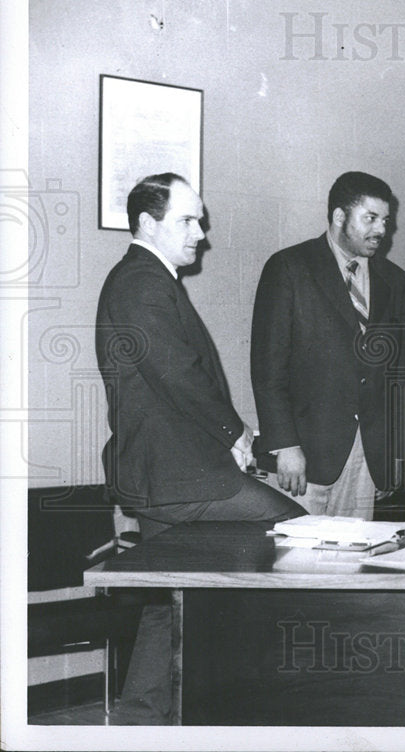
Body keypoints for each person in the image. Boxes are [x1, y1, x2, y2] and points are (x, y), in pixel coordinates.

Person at [96, 173, 304, 723]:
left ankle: (141, 716)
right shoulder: (141, 282)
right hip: (175, 476)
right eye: (187, 219)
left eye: (201, 218)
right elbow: (179, 375)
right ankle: (258, 701)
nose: (201, 232)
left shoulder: (145, 279)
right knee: (295, 529)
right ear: (146, 223)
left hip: (166, 472)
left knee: (172, 600)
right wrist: (238, 435)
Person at [251, 171, 405, 519]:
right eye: (370, 218)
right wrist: (285, 446)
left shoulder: (397, 282)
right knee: (297, 565)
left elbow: (404, 376)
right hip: (303, 453)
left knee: (353, 564)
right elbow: (268, 368)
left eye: (385, 220)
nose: (381, 230)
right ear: (339, 217)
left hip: (369, 455)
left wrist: (398, 453)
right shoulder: (289, 268)